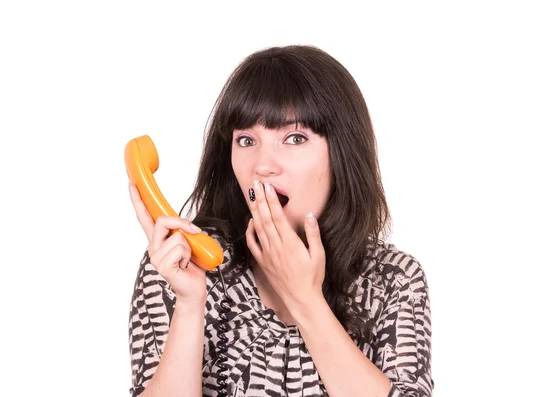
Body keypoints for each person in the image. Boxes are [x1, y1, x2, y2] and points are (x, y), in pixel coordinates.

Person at [127, 45, 434, 397]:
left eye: (295, 138)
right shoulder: (179, 266)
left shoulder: (395, 279)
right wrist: (189, 304)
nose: (262, 165)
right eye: (246, 140)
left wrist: (305, 300)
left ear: (342, 153)